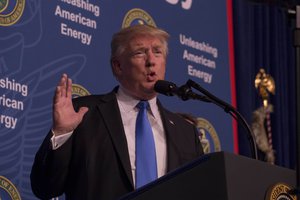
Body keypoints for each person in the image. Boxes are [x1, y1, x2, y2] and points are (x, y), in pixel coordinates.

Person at [30, 24, 203, 200]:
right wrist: (62, 134)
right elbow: (44, 187)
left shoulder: (185, 133)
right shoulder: (84, 114)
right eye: (140, 53)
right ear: (118, 66)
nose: (151, 60)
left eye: (157, 52)